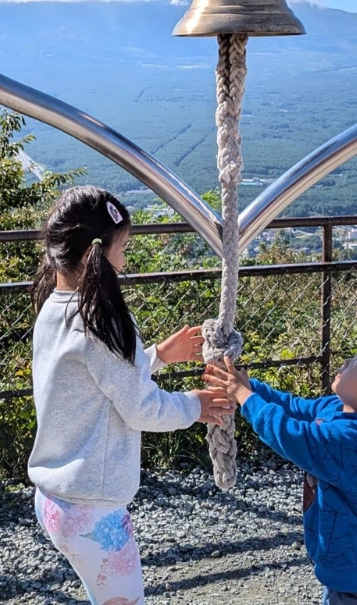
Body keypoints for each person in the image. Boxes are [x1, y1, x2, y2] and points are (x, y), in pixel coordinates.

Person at [28, 185, 232, 604]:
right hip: (93, 509)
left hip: (54, 500)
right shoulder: (102, 322)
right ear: (95, 255)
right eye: (122, 249)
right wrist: (195, 405)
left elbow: (96, 384)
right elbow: (141, 407)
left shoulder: (53, 309)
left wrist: (156, 356)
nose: (124, 259)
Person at [205, 333, 357, 605]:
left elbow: (292, 435)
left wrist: (244, 396)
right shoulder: (339, 407)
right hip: (354, 575)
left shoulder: (353, 441)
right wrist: (247, 387)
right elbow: (292, 407)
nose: (348, 361)